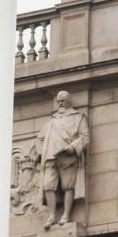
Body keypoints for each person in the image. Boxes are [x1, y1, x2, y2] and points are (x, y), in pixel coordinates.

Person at [35, 91, 90, 229]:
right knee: (48, 186)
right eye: (58, 101)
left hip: (67, 157)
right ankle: (52, 216)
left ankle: (65, 215)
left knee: (68, 186)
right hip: (50, 157)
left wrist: (72, 148)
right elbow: (40, 139)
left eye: (62, 101)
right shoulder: (52, 120)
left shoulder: (78, 117)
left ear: (69, 101)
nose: (60, 103)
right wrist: (41, 152)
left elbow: (85, 138)